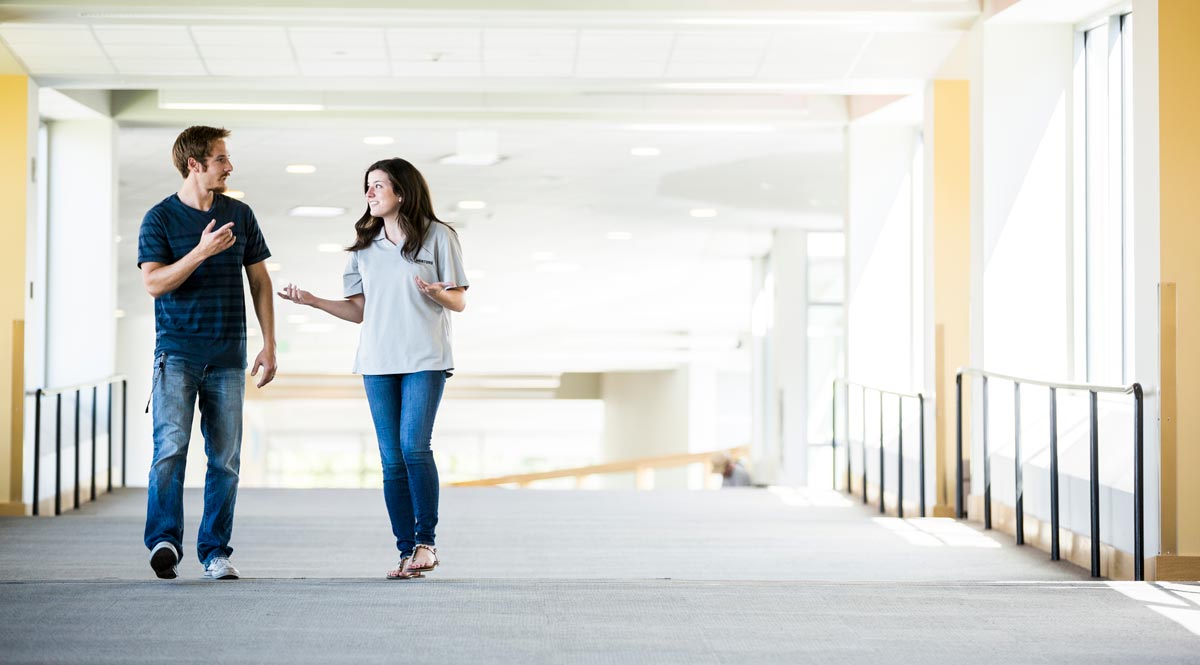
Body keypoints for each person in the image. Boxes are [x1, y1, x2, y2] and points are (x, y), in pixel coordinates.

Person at [278, 157, 468, 580]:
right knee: (390, 460)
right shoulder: (364, 246)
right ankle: (406, 550)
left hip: (425, 358)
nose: (369, 194)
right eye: (367, 186)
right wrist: (313, 301)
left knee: (414, 447)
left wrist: (439, 293)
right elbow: (358, 310)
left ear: (402, 191)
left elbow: (458, 300)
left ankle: (426, 543)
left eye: (378, 186)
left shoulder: (440, 237)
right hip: (378, 361)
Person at [138, 126, 276, 580]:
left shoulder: (240, 213)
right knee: (170, 449)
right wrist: (199, 252)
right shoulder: (159, 219)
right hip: (176, 354)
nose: (229, 166)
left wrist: (269, 344)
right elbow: (154, 283)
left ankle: (215, 551)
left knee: (225, 459)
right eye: (220, 158)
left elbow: (259, 281)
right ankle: (164, 541)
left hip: (228, 357)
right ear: (194, 164)